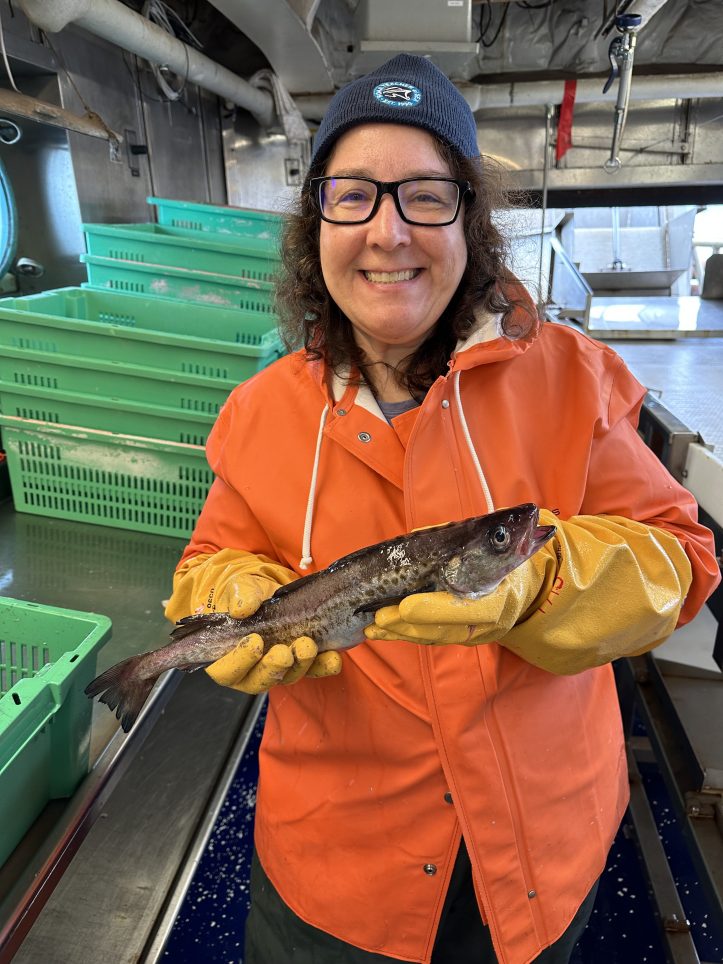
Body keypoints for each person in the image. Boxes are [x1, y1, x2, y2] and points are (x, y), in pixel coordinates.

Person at [164, 53, 720, 964]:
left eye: (425, 195)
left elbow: (679, 559)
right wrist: (232, 592)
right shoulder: (259, 411)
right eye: (352, 195)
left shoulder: (572, 378)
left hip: (544, 847)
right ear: (316, 225)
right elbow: (205, 566)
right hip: (337, 864)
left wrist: (541, 584)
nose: (387, 233)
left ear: (470, 220)